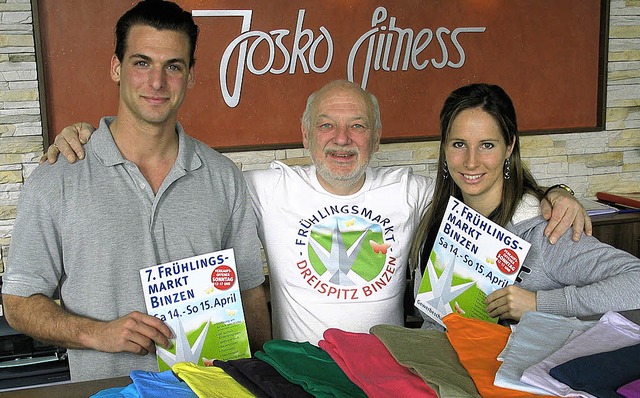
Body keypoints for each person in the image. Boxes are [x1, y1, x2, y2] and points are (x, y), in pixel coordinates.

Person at [43, 80, 590, 345]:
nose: (342, 140)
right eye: (327, 125)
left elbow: (483, 183)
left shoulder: (413, 190)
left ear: (377, 138)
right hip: (300, 372)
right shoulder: (257, 185)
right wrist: (93, 136)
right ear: (305, 136)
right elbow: (174, 160)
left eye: (357, 127)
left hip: (388, 370)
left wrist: (556, 195)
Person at [2, 0, 271, 382]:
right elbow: (17, 302)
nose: (157, 82)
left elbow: (249, 293)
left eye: (173, 66)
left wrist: (262, 379)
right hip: (110, 390)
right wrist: (97, 333)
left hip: (210, 389)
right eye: (142, 62)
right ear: (116, 67)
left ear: (190, 75)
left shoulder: (223, 176)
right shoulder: (57, 179)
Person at [410, 83, 640, 328]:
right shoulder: (435, 217)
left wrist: (539, 304)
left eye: (487, 145)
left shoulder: (545, 231)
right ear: (444, 147)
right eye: (459, 144)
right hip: (435, 361)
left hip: (512, 365)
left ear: (509, 147)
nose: (471, 161)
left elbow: (635, 281)